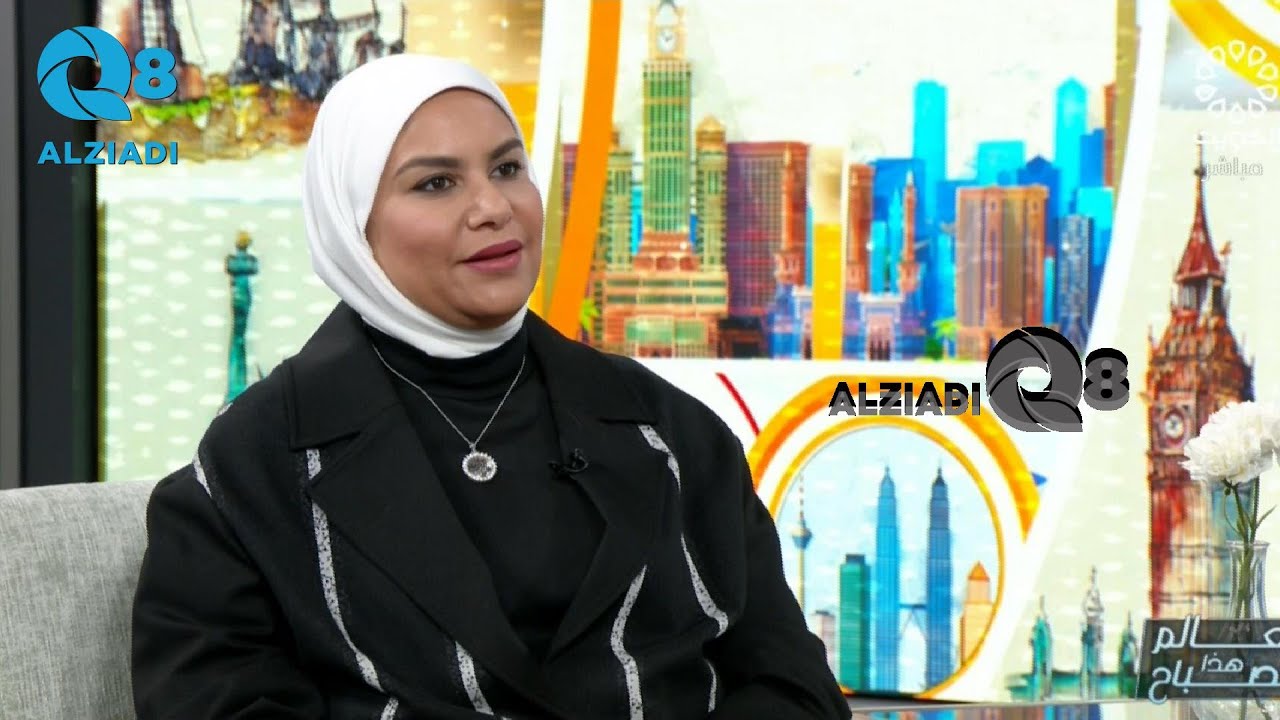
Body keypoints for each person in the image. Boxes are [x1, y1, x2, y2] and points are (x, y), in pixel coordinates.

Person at [130, 54, 850, 720]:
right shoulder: (253, 465)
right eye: (436, 183)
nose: (492, 207)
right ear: (354, 226)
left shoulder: (669, 430)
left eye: (507, 168)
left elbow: (795, 689)